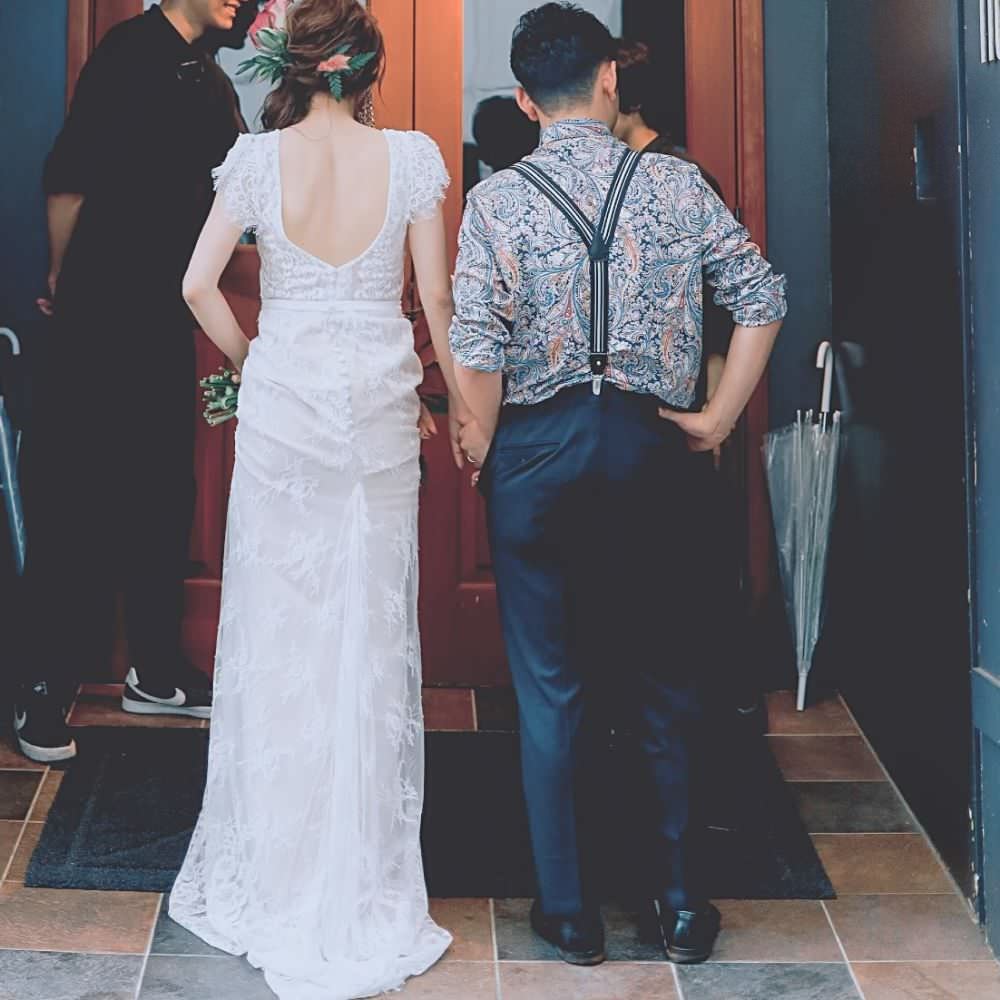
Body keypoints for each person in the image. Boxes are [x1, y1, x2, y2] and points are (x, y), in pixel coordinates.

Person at [451, 2, 786, 968]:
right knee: (664, 679)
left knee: (550, 687)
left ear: (524, 101)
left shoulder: (496, 202)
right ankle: (678, 905)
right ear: (609, 79)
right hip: (650, 449)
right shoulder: (675, 183)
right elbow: (762, 298)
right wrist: (716, 419)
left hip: (538, 450)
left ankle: (570, 914)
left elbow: (476, 345)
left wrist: (481, 438)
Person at [169, 1, 462, 995]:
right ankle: (357, 866)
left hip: (286, 410)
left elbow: (197, 285)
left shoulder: (257, 161)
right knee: (365, 632)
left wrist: (254, 360)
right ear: (368, 70)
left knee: (281, 625)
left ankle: (279, 861)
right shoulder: (413, 159)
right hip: (375, 413)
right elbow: (435, 301)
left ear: (294, 68)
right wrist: (465, 404)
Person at [14, 0, 249, 764]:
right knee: (74, 494)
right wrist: (62, 273)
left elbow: (238, 199)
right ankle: (42, 685)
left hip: (163, 317)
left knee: (162, 491)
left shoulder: (211, 83)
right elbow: (69, 176)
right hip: (98, 313)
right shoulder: (126, 52)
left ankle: (155, 670)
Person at [614, 38, 766, 765]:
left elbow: (726, 299)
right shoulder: (624, 172)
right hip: (648, 403)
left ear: (621, 95)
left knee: (688, 565)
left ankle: (716, 720)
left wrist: (716, 406)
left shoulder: (676, 175)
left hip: (679, 400)